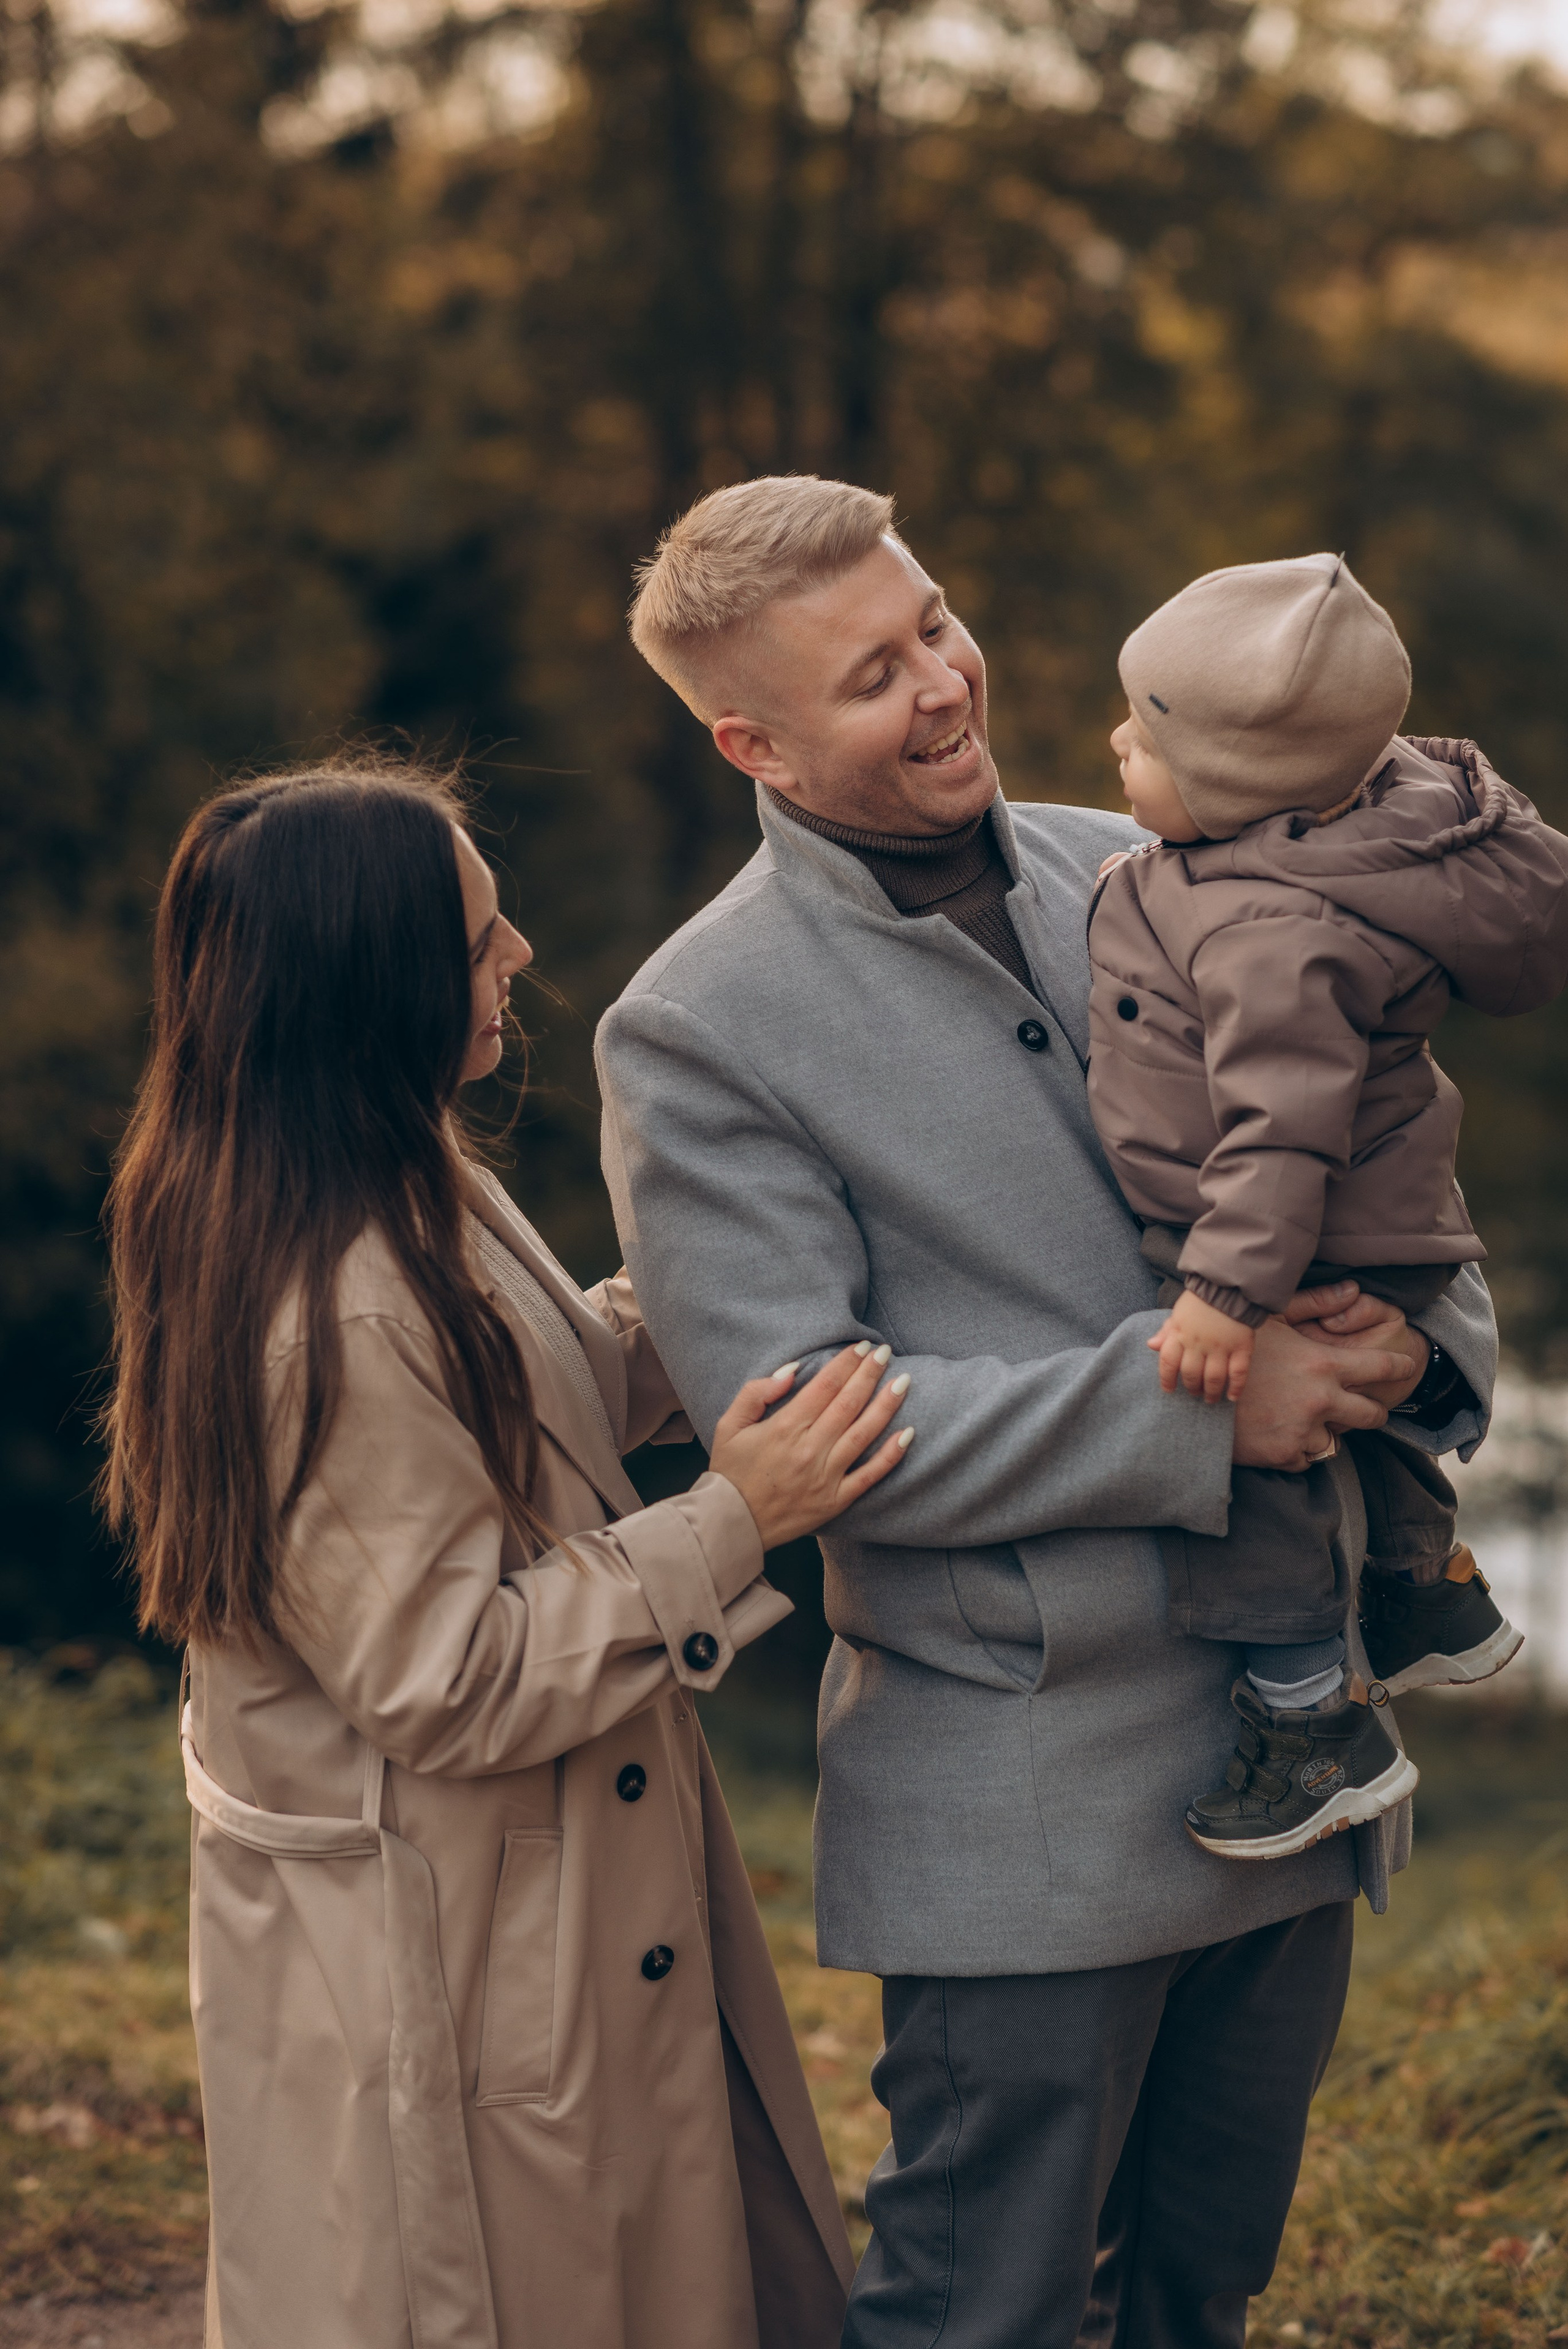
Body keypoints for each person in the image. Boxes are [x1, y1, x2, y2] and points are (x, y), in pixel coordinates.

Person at [594, 476, 1498, 2348]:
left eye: (933, 623)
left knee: (1196, 2295)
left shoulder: (1169, 850)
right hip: (1018, 1810)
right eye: (872, 676)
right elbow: (801, 1421)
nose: (944, 682)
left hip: (1300, 1752)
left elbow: (1387, 1146)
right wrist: (1209, 1415)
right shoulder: (695, 1026)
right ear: (752, 743)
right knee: (979, 2314)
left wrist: (1419, 1352)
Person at [99, 757, 917, 2349]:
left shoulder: (400, 1179)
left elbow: (540, 1406)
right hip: (472, 1962)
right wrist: (737, 1514)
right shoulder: (334, 1298)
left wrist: (738, 1267)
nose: (520, 953)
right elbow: (448, 1673)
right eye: (479, 939)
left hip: (529, 1913)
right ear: (375, 984)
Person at [1087, 553, 1568, 1859]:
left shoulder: (1267, 929)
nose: (1117, 743)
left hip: (1303, 1235)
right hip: (1375, 1224)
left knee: (1245, 1458)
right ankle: (1424, 1587)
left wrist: (1220, 1293)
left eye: (1148, 739)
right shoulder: (1323, 842)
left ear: (1243, 792)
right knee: (1340, 1420)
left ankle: (1311, 1725)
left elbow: (1283, 1131)